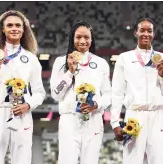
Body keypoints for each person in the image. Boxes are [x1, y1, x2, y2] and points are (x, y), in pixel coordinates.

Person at [0, 10, 46, 164]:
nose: (14, 28)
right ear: (2, 29)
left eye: (18, 25)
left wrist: (28, 105)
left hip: (22, 113)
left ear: (24, 29)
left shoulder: (31, 58)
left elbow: (39, 92)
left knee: (22, 160)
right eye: (9, 25)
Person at [110, 18, 163, 164]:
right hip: (134, 115)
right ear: (135, 33)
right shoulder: (124, 58)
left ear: (154, 34)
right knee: (132, 160)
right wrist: (115, 123)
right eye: (142, 30)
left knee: (159, 160)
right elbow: (117, 92)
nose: (146, 34)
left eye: (149, 31)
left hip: (157, 116)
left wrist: (162, 76)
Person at [50, 21, 111, 164]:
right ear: (72, 38)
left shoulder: (101, 63)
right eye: (78, 37)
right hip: (69, 119)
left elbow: (108, 95)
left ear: (92, 39)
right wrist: (69, 72)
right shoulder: (60, 62)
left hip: (93, 119)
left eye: (86, 37)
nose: (82, 41)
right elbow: (55, 94)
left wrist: (96, 105)